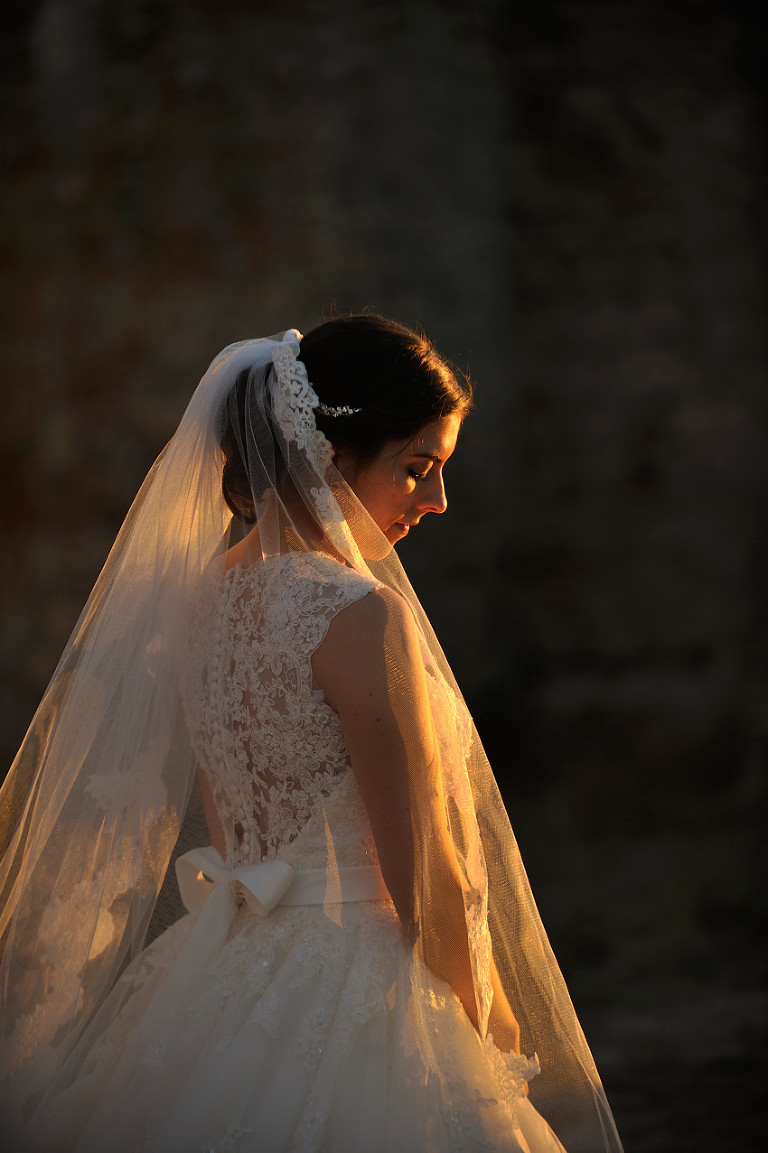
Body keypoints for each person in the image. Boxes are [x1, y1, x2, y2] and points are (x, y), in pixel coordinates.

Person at [0, 317, 623, 1152]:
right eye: (416, 468)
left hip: (218, 975)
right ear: (330, 458)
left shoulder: (202, 602)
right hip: (355, 985)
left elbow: (239, 831)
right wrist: (491, 1027)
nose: (435, 501)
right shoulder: (362, 616)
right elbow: (426, 874)